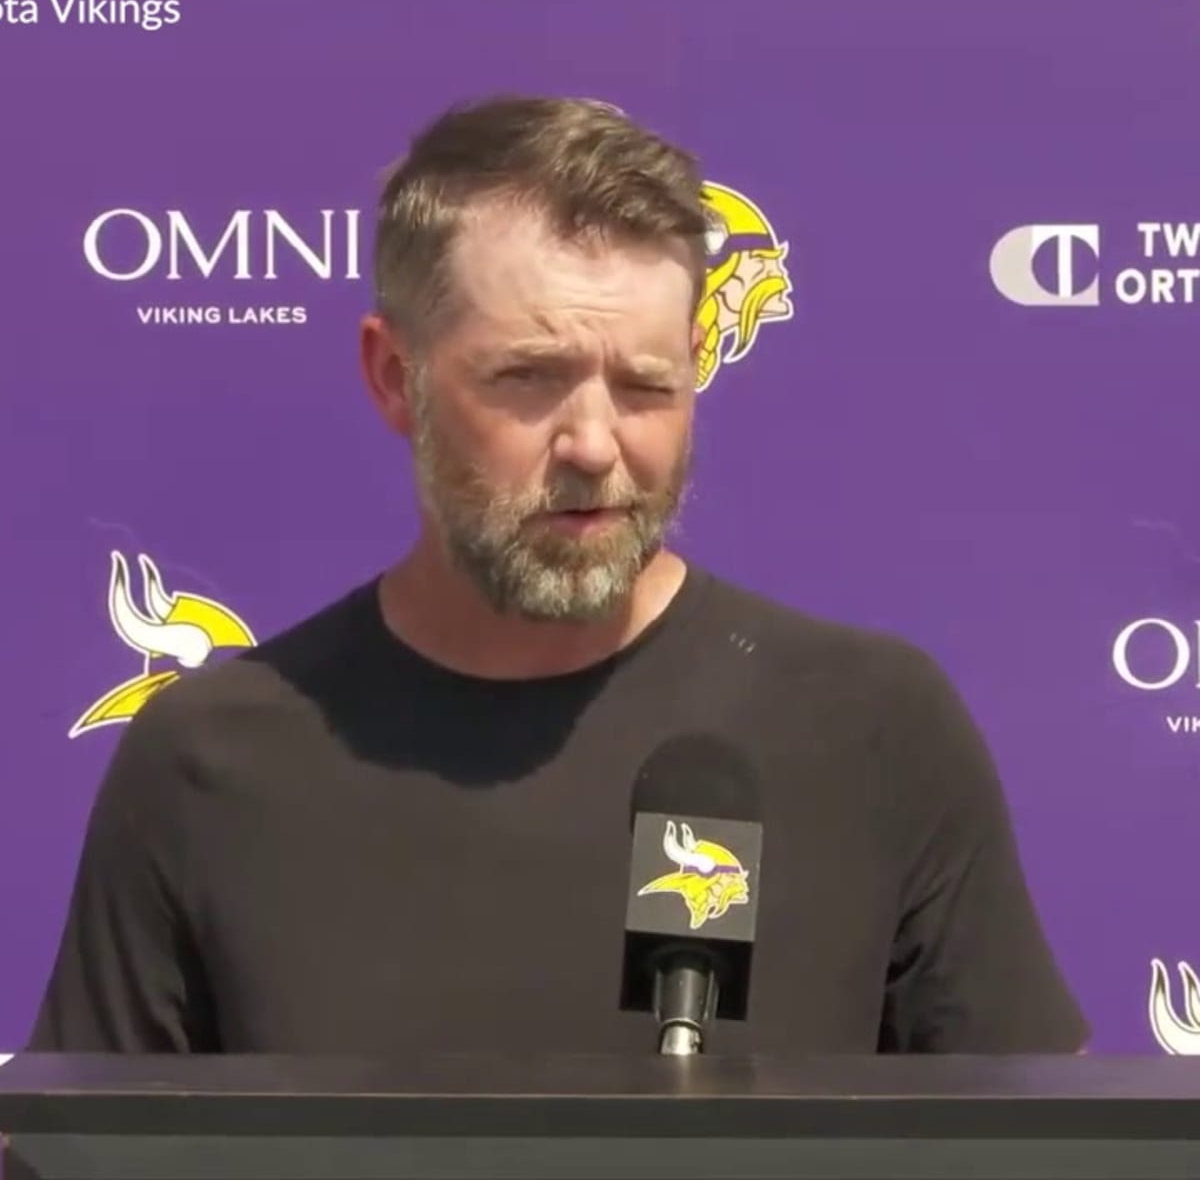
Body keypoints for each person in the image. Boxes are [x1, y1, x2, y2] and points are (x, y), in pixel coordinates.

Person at [28, 95, 1088, 1057]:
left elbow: (1039, 1157)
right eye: (529, 379)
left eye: (645, 385)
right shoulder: (207, 761)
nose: (593, 443)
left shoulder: (874, 729)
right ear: (396, 378)